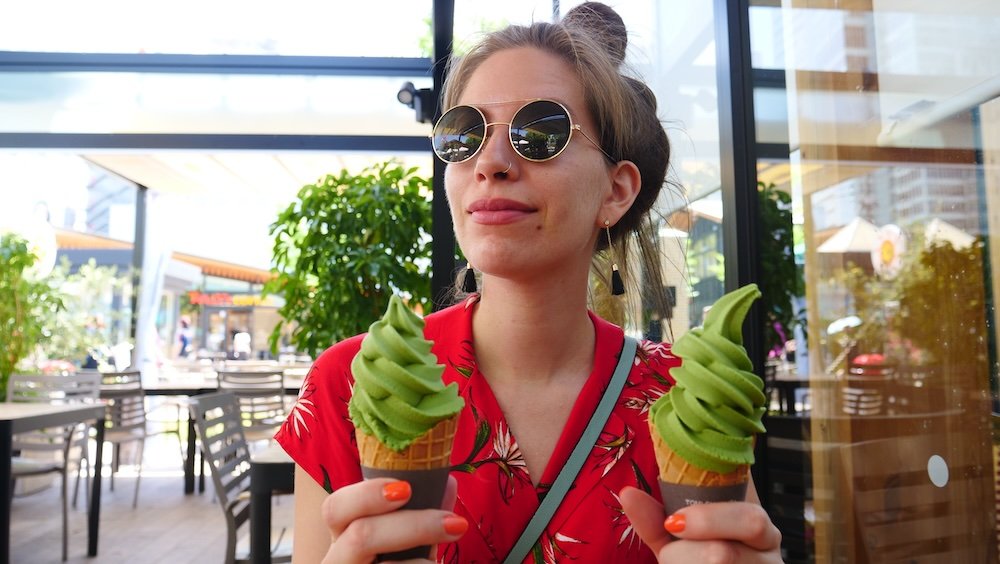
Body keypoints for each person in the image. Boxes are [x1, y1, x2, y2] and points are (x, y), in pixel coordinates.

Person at [276, 3, 782, 562]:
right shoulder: (347, 386)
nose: (490, 162)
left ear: (616, 191)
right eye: (463, 134)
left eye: (540, 132)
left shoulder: (687, 395)